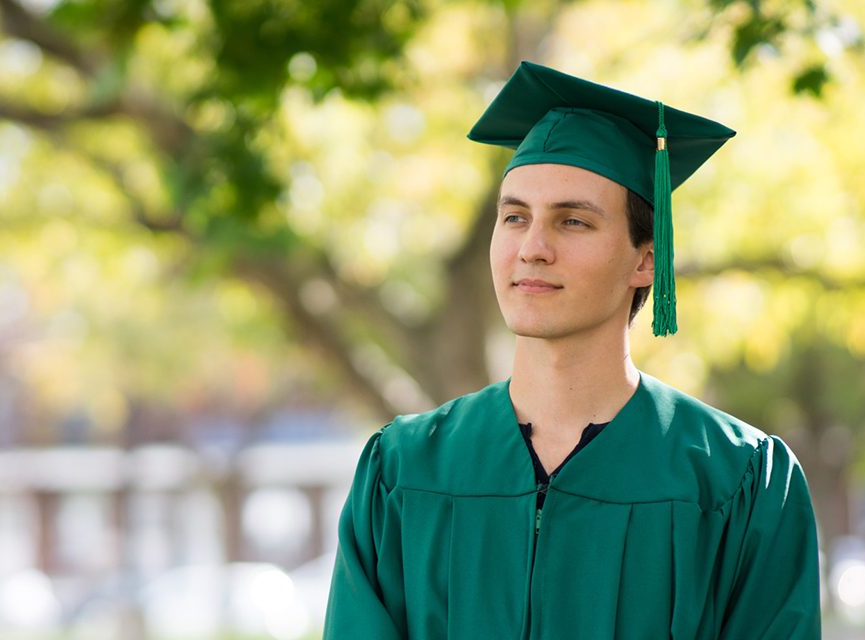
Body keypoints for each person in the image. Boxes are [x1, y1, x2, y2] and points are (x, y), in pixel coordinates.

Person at [323, 61, 821, 639]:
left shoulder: (739, 481)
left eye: (574, 222)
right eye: (514, 217)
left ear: (646, 259)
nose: (532, 247)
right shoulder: (402, 471)